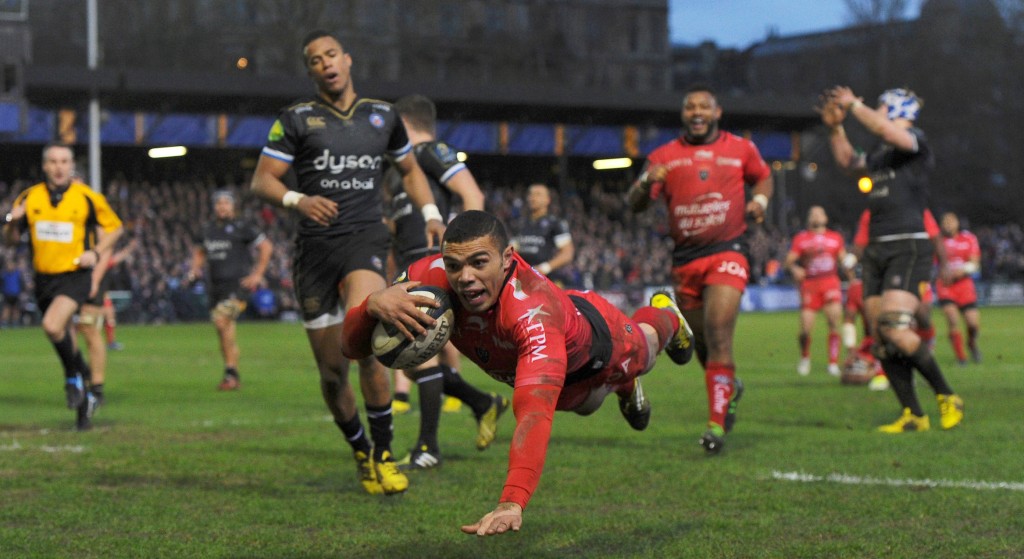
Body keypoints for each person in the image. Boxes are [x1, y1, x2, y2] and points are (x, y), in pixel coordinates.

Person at [340, 210, 695, 536]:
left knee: (646, 353)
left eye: (480, 263)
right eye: (454, 265)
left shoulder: (532, 314)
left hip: (600, 342)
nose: (465, 278)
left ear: (507, 257)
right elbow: (351, 349)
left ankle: (665, 315)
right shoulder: (425, 278)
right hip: (563, 374)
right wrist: (371, 306)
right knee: (586, 405)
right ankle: (625, 386)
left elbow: (534, 411)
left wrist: (513, 499)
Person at [250, 30, 444, 495]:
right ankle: (360, 450)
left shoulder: (383, 116)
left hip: (365, 240)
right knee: (333, 373)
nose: (326, 64)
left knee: (368, 336)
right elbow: (263, 181)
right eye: (315, 60)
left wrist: (432, 213)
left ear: (348, 59)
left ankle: (384, 452)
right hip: (315, 251)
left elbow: (411, 170)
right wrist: (298, 199)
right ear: (311, 70)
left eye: (331, 55)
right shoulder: (296, 119)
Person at [626, 84, 773, 454]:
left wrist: (760, 200)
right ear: (683, 114)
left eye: (703, 106)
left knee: (719, 330)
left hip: (728, 251)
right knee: (704, 343)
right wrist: (646, 182)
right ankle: (730, 389)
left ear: (717, 112)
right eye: (690, 106)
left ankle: (715, 425)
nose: (696, 112)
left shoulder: (741, 148)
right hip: (685, 260)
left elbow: (764, 176)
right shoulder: (664, 155)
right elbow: (635, 203)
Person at [819, 85, 963, 432]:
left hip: (908, 245)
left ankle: (946, 395)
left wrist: (853, 105)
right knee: (880, 337)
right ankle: (913, 413)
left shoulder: (914, 139)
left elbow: (886, 129)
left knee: (895, 327)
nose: (876, 111)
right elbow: (849, 164)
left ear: (896, 108)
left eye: (880, 106)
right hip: (877, 249)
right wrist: (835, 128)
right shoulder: (882, 150)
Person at [385, 94, 506, 470]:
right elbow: (394, 231)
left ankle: (428, 448)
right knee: (406, 360)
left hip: (433, 264)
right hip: (409, 268)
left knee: (416, 355)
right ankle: (483, 403)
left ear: (404, 125)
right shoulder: (398, 171)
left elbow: (472, 195)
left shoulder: (429, 152)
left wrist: (460, 260)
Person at [2, 142, 123, 430]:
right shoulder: (30, 197)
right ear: (45, 166)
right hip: (44, 279)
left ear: (71, 166)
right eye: (53, 162)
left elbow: (116, 228)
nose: (59, 167)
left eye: (64, 161)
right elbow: (9, 240)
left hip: (75, 276)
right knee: (65, 337)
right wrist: (11, 221)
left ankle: (72, 377)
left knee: (52, 326)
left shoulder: (86, 197)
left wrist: (95, 254)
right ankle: (85, 404)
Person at [187, 190, 273, 391]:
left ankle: (231, 373)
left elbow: (266, 247)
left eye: (226, 203)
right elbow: (199, 251)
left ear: (233, 206)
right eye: (219, 204)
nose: (222, 207)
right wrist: (195, 269)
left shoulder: (242, 227)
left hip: (238, 285)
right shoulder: (207, 229)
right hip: (215, 286)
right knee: (224, 329)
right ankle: (231, 373)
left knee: (221, 321)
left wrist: (257, 274)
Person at [785, 205, 849, 377]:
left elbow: (844, 260)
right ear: (809, 219)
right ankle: (805, 358)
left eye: (819, 213)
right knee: (805, 329)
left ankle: (833, 363)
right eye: (812, 213)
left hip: (830, 282)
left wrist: (851, 272)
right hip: (810, 285)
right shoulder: (801, 239)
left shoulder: (835, 238)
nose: (816, 216)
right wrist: (794, 269)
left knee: (834, 322)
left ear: (825, 218)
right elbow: (788, 261)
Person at [935, 211, 982, 365]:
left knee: (973, 324)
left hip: (964, 285)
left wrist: (961, 271)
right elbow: (933, 264)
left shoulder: (969, 238)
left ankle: (972, 343)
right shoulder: (937, 242)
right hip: (945, 285)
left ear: (957, 223)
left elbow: (975, 263)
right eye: (945, 221)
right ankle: (961, 357)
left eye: (951, 221)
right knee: (952, 318)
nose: (948, 224)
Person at [511, 183, 575, 279]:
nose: (533, 198)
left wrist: (544, 268)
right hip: (521, 277)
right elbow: (513, 250)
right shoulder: (520, 223)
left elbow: (567, 253)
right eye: (530, 194)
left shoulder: (556, 223)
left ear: (547, 200)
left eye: (538, 194)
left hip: (545, 279)